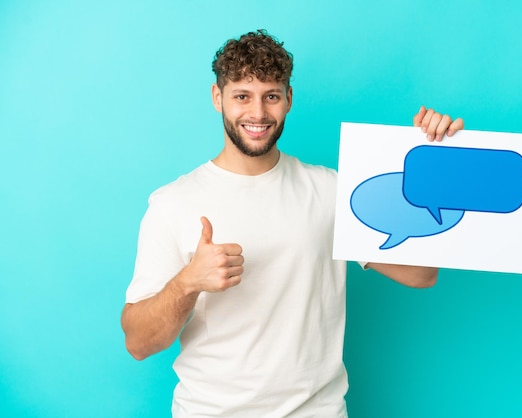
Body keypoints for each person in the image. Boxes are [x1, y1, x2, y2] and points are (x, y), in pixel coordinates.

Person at [121, 29, 464, 417]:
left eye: (271, 96)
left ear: (289, 100)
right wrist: (189, 281)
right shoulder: (172, 203)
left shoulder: (332, 191)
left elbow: (422, 274)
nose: (258, 113)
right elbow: (138, 342)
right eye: (241, 96)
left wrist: (436, 162)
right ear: (218, 98)